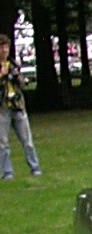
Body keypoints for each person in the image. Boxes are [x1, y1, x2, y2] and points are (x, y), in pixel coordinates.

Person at [0, 34, 42, 180]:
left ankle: (35, 168)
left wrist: (18, 77)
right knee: (3, 143)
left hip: (17, 106)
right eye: (2, 47)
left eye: (6, 47)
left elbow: (22, 83)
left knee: (27, 140)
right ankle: (7, 172)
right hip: (2, 108)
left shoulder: (13, 64)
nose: (4, 50)